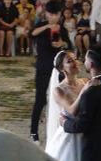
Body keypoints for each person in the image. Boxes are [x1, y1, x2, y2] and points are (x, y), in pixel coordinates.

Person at [29, 11, 70, 142]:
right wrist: (47, 27)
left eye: (56, 14)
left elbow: (69, 44)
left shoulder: (62, 29)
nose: (53, 17)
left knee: (62, 98)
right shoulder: (41, 26)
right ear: (47, 14)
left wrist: (62, 43)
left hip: (58, 69)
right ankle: (33, 132)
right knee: (40, 99)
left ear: (59, 15)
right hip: (43, 67)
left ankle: (61, 128)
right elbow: (31, 33)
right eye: (51, 14)